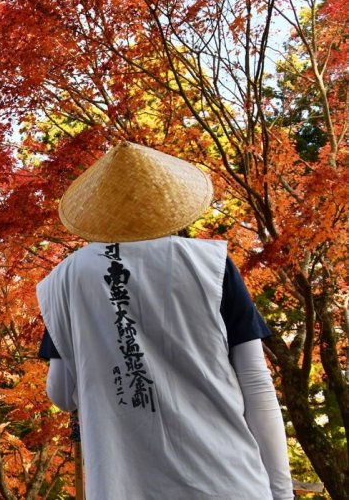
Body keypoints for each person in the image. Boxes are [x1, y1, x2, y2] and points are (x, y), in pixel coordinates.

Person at [37, 141, 294, 500]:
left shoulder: (64, 281)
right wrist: (281, 492)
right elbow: (256, 384)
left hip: (122, 486)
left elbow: (62, 395)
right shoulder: (211, 264)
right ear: (167, 203)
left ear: (96, 211)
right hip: (229, 482)